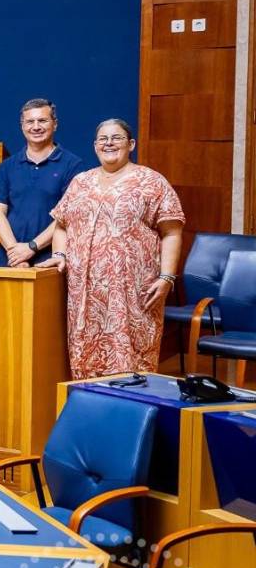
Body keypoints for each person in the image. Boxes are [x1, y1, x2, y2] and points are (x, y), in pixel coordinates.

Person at [36, 119, 184, 378]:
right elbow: (61, 225)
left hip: (133, 293)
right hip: (85, 295)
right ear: (95, 146)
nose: (109, 143)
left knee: (132, 362)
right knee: (85, 359)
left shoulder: (151, 182)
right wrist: (59, 254)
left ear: (131, 144)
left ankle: (133, 404)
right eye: (103, 139)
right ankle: (90, 403)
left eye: (116, 138)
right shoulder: (81, 182)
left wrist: (167, 277)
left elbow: (172, 232)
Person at [0, 99, 85, 267]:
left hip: (51, 261)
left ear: (55, 124)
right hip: (10, 260)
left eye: (42, 120)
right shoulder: (7, 166)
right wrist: (16, 253)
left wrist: (31, 247)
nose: (36, 127)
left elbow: (67, 217)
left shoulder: (73, 165)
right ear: (22, 126)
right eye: (30, 121)